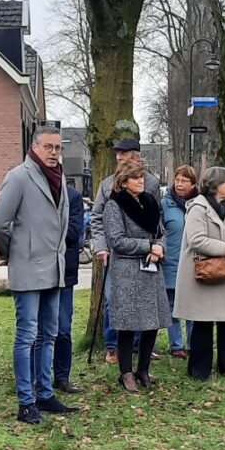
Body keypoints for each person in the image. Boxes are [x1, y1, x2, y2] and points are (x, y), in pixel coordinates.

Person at [0, 125, 78, 425]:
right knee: (27, 335)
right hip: (28, 268)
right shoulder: (18, 177)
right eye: (49, 148)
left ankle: (45, 393)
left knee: (48, 335)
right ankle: (26, 401)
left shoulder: (60, 176)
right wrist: (13, 254)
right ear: (35, 147)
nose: (54, 153)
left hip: (54, 270)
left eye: (58, 148)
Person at [89, 139, 162, 363]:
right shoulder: (107, 185)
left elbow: (158, 219)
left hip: (146, 256)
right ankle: (113, 346)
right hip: (119, 253)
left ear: (136, 156)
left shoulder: (151, 184)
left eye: (125, 154)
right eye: (118, 154)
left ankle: (141, 346)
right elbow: (97, 218)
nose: (120, 158)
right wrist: (102, 247)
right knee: (114, 299)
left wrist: (157, 246)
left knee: (144, 299)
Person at [103, 162, 172, 392]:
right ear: (123, 182)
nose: (141, 181)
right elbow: (117, 241)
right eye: (135, 178)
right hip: (128, 272)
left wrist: (160, 246)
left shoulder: (150, 202)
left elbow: (161, 232)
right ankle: (126, 373)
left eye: (141, 177)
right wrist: (148, 246)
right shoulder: (114, 205)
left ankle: (143, 369)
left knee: (151, 321)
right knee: (128, 324)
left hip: (151, 270)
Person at [174, 166, 225, 381]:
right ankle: (199, 370)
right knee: (203, 323)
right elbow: (196, 240)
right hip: (203, 274)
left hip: (224, 274)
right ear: (216, 185)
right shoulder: (197, 208)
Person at [40, 179, 85, 396]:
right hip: (37, 270)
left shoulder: (73, 197)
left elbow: (73, 232)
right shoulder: (33, 194)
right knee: (38, 330)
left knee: (63, 329)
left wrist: (42, 231)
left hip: (64, 271)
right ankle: (36, 377)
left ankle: (62, 377)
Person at [162, 166, 199, 359]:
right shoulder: (165, 204)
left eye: (184, 180)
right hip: (171, 262)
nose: (179, 184)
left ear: (193, 183)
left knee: (192, 306)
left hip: (194, 263)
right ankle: (176, 345)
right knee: (171, 305)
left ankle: (194, 344)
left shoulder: (199, 204)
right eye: (177, 179)